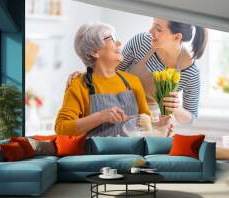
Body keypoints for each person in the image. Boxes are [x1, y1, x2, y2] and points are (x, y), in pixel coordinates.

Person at [67, 18, 208, 124]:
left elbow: (191, 118)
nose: (150, 31)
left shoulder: (191, 72)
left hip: (152, 121)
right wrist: (86, 76)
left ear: (177, 37)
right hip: (118, 109)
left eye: (158, 29)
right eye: (153, 24)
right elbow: (110, 69)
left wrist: (176, 109)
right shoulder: (142, 42)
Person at [54, 22, 151, 137]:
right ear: (94, 52)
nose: (119, 43)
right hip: (97, 155)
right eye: (112, 38)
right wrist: (101, 116)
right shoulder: (78, 85)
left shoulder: (133, 81)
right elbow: (62, 128)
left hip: (133, 153)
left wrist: (160, 125)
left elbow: (146, 121)